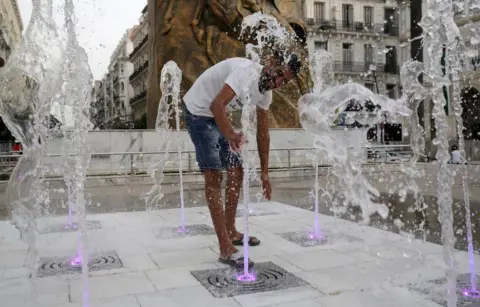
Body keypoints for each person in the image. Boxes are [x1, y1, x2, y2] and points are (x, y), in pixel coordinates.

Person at [182, 52, 302, 269]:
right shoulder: (245, 72)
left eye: (284, 81)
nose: (279, 83)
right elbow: (216, 105)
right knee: (214, 174)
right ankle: (225, 248)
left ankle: (231, 230)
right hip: (198, 111)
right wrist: (230, 134)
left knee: (237, 170)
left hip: (216, 115)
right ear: (271, 63)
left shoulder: (265, 94)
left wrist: (265, 173)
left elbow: (263, 134)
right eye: (279, 76)